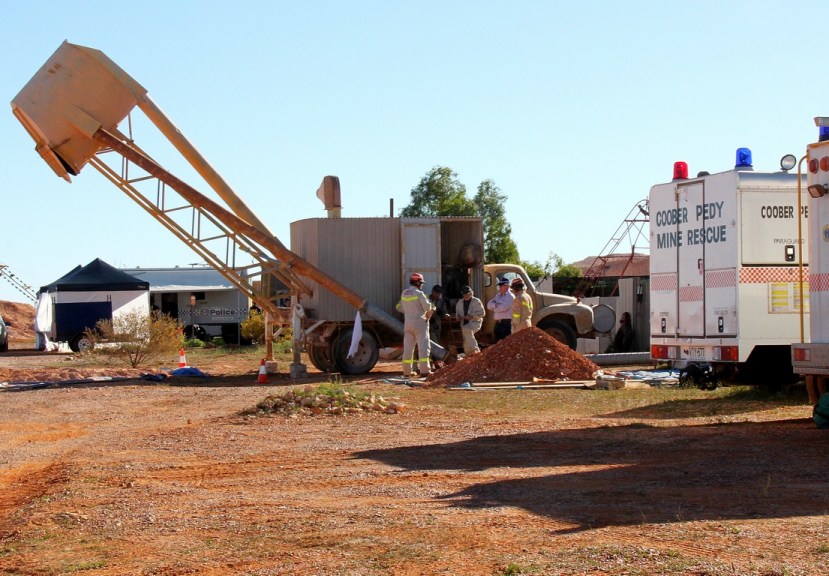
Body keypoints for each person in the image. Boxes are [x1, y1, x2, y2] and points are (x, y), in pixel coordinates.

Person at [396, 272, 435, 377]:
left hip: (408, 324)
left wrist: (410, 311)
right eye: (421, 283)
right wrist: (432, 308)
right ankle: (425, 371)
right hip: (420, 324)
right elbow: (428, 308)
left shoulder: (404, 293)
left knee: (408, 349)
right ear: (417, 283)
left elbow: (399, 307)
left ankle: (406, 372)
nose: (422, 285)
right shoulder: (419, 293)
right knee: (423, 347)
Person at [455, 285, 485, 355]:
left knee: (467, 331)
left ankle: (475, 350)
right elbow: (457, 314)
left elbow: (482, 313)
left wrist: (472, 316)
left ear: (472, 293)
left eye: (468, 294)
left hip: (475, 323)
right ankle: (468, 355)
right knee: (466, 339)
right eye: (465, 294)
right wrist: (458, 318)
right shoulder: (459, 303)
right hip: (464, 323)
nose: (466, 295)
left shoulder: (476, 301)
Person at [487, 277, 514, 342]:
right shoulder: (498, 296)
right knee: (497, 342)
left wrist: (494, 307)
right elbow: (488, 305)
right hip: (498, 323)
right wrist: (495, 305)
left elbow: (502, 308)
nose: (500, 287)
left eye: (501, 285)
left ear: (507, 286)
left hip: (506, 323)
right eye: (500, 285)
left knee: (506, 342)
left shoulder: (510, 297)